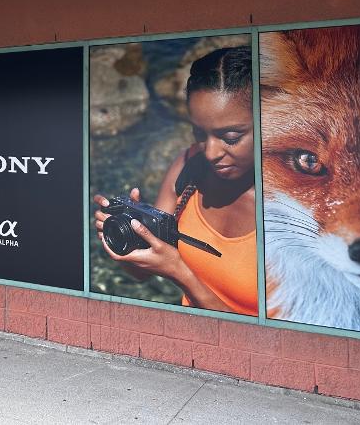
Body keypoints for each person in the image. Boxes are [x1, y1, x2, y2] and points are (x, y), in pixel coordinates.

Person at [94, 46, 257, 315]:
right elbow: (141, 273)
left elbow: (278, 334)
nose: (211, 153)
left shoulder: (298, 206)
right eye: (200, 134)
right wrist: (125, 236)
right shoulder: (189, 168)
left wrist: (180, 273)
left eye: (230, 137)